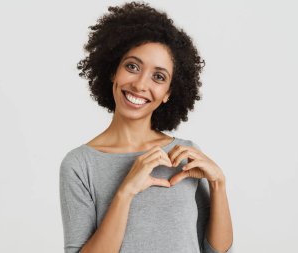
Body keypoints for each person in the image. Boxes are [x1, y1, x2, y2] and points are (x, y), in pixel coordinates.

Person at [59, 2, 233, 253]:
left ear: (168, 93)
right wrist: (126, 190)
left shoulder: (184, 155)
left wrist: (218, 184)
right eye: (132, 66)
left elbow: (216, 251)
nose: (140, 84)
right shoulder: (80, 165)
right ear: (113, 72)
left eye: (158, 77)